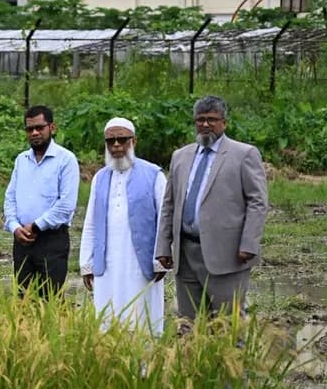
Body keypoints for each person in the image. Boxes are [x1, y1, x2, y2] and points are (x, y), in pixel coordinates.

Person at [156, 95, 268, 323]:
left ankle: (232, 360)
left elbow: (257, 202)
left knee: (228, 324)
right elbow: (169, 204)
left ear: (224, 123)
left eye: (212, 120)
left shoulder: (243, 154)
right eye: (200, 120)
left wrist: (249, 244)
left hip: (227, 254)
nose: (205, 125)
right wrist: (163, 246)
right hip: (186, 253)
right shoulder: (181, 156)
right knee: (189, 324)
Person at [79, 118, 168, 335]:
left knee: (142, 319)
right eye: (111, 141)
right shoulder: (100, 177)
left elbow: (164, 221)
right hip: (107, 265)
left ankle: (145, 369)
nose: (116, 145)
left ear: (134, 141)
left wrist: (161, 260)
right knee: (107, 319)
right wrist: (86, 263)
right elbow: (91, 222)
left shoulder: (153, 174)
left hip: (141, 264)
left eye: (122, 140)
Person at [3, 105, 80, 298]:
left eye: (40, 127)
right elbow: (10, 197)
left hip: (51, 241)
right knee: (23, 300)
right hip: (22, 241)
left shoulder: (65, 160)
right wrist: (14, 226)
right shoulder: (21, 160)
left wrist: (36, 226)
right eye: (30, 129)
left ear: (52, 128)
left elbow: (66, 205)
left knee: (50, 299)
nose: (35, 133)